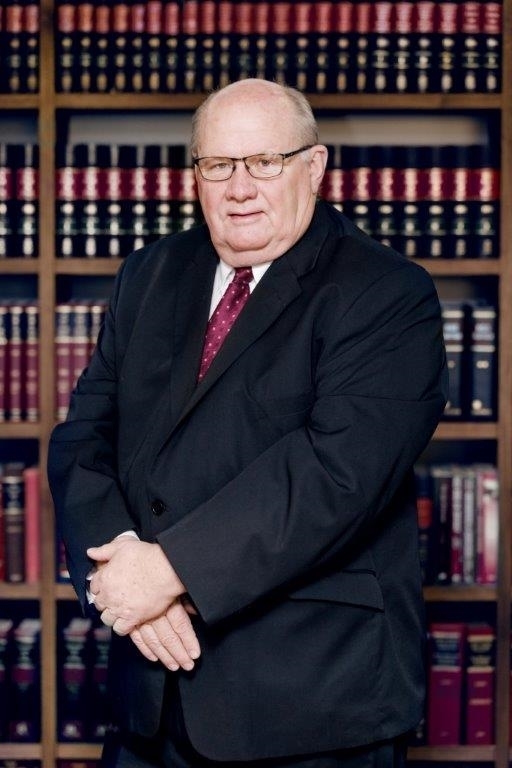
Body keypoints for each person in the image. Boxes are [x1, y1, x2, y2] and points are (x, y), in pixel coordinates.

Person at [47, 78, 447, 768]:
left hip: (311, 704)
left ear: (313, 168)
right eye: (217, 165)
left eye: (265, 162)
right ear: (195, 175)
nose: (239, 189)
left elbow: (337, 475)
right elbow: (83, 437)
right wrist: (121, 572)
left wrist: (169, 571)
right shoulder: (149, 274)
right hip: (149, 693)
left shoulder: (387, 292)